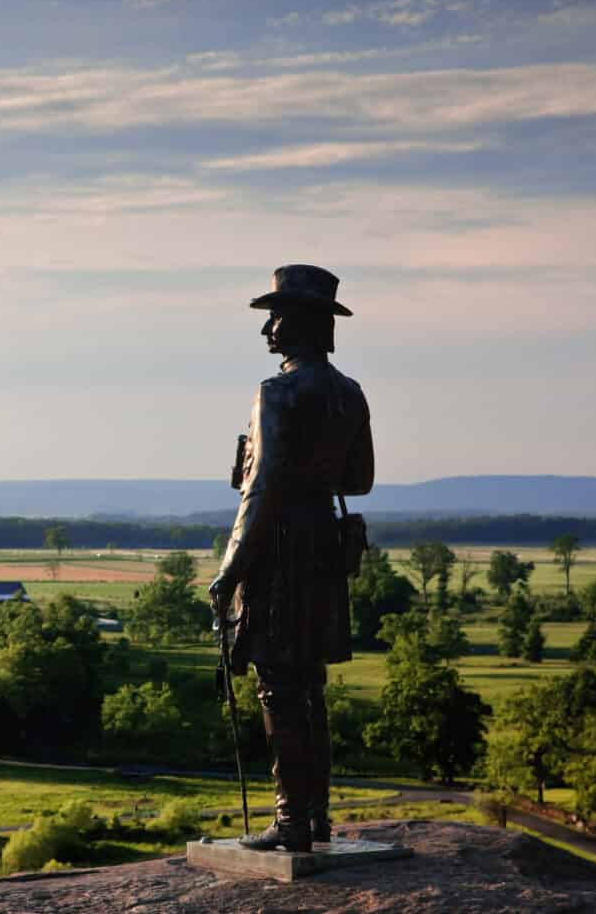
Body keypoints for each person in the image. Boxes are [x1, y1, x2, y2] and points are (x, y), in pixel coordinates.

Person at [209, 265, 374, 853]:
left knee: (278, 688)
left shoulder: (276, 393)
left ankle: (291, 820)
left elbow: (261, 488)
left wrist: (230, 569)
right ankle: (318, 818)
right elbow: (360, 479)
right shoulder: (350, 393)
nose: (267, 331)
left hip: (277, 551)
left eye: (275, 317)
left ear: (301, 323)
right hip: (323, 547)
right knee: (311, 689)